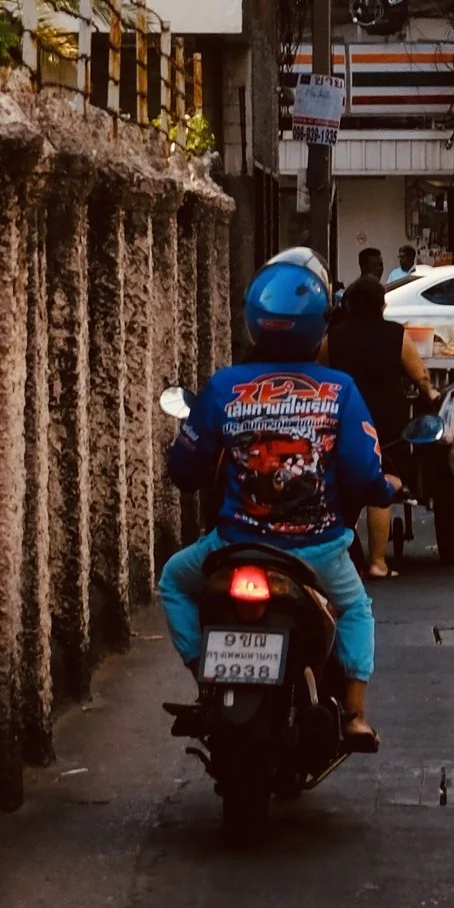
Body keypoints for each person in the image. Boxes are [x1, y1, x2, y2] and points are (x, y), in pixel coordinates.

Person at [161, 254, 395, 754]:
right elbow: (362, 469)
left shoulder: (225, 386)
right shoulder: (339, 390)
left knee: (174, 580)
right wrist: (384, 489)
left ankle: (206, 676)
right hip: (318, 551)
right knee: (355, 608)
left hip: (234, 544)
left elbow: (185, 465)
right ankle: (354, 714)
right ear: (320, 325)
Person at [327, 267, 436, 579]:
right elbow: (419, 376)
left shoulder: (332, 338)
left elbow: (317, 375)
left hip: (344, 420)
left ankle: (341, 558)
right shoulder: (396, 335)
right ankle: (378, 563)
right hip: (387, 423)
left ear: (348, 305)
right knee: (384, 481)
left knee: (342, 484)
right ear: (382, 306)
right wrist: (430, 392)